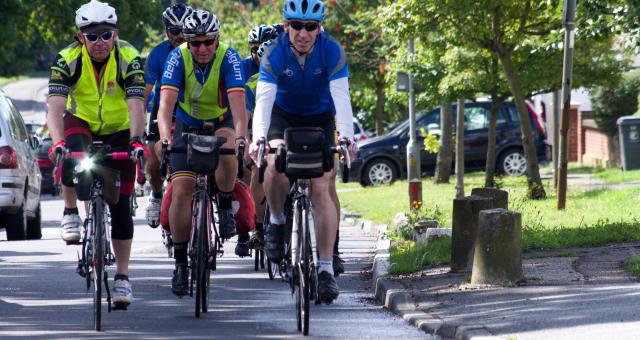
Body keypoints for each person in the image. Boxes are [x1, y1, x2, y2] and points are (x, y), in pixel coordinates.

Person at [249, 0, 356, 303]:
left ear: (319, 28)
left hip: (319, 119)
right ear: (286, 26)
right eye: (296, 25)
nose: (303, 33)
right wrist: (258, 138)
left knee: (322, 185)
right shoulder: (274, 53)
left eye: (310, 27)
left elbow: (342, 98)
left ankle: (325, 270)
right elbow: (264, 102)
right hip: (282, 119)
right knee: (274, 163)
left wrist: (346, 137)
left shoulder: (331, 51)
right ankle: (277, 220)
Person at [46, 0, 146, 308]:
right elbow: (55, 107)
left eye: (106, 35)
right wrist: (57, 142)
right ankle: (71, 212)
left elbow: (136, 105)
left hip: (119, 129)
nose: (100, 42)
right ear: (80, 37)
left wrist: (137, 140)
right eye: (92, 36)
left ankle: (123, 278)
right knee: (69, 151)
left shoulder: (130, 58)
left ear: (115, 35)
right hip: (82, 122)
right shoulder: (67, 60)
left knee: (122, 206)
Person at [155, 9, 248, 296]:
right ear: (187, 40)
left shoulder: (228, 57)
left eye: (208, 42)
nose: (202, 48)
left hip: (221, 121)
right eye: (195, 43)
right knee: (182, 189)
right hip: (187, 124)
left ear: (217, 38)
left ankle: (224, 204)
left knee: (230, 146)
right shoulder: (177, 57)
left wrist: (243, 137)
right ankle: (181, 263)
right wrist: (166, 139)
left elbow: (238, 108)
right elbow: (165, 108)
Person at [143, 3, 193, 228]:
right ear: (166, 31)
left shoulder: (201, 48)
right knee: (153, 158)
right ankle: (155, 193)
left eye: (184, 30)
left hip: (192, 105)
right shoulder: (158, 54)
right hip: (164, 105)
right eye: (174, 31)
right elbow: (144, 94)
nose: (180, 35)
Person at [235, 24, 282, 258]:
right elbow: (246, 113)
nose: (256, 54)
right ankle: (253, 227)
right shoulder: (247, 74)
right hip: (256, 126)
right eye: (253, 49)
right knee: (251, 169)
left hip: (283, 127)